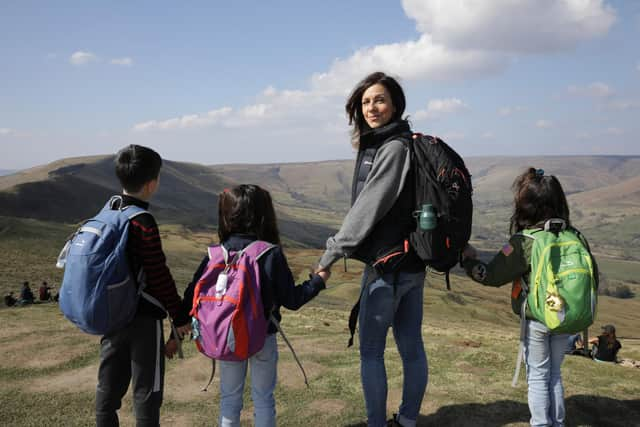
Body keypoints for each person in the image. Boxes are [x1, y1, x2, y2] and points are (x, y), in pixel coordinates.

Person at [316, 71, 427, 427]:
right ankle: (408, 420)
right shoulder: (402, 143)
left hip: (386, 268)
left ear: (395, 104)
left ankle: (379, 423)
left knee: (371, 354)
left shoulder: (392, 148)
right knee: (411, 349)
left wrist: (330, 255)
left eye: (379, 100)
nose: (371, 108)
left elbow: (367, 208)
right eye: (365, 102)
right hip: (411, 266)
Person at [172, 184, 329, 427]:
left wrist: (178, 329)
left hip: (226, 335)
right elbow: (293, 300)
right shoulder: (269, 253)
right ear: (263, 214)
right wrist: (318, 281)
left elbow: (192, 293)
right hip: (262, 336)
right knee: (264, 398)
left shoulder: (215, 254)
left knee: (229, 399)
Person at [461, 167, 582, 427]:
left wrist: (468, 262)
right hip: (566, 315)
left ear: (525, 206)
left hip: (537, 319)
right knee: (555, 375)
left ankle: (541, 424)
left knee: (538, 376)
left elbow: (491, 275)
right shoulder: (575, 236)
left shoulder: (523, 241)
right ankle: (557, 424)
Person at [95, 144, 191, 427]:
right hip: (143, 321)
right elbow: (158, 274)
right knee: (147, 393)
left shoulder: (108, 212)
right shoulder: (142, 221)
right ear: (152, 184)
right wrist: (179, 316)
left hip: (111, 315)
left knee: (108, 388)